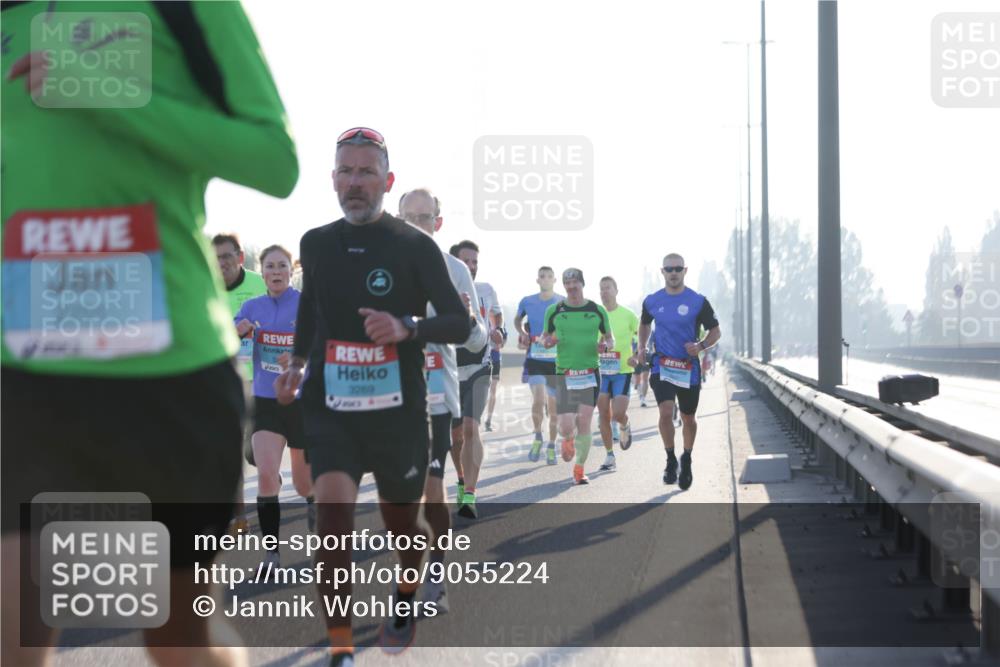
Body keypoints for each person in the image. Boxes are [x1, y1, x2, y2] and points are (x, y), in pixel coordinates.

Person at [1, 2, 298, 666]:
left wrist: (112, 96)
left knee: (176, 638)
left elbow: (274, 162)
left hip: (170, 376)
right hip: (26, 374)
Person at [274, 127, 469, 664]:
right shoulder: (315, 242)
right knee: (332, 522)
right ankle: (340, 646)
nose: (354, 182)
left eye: (365, 172)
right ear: (332, 179)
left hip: (400, 413)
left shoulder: (414, 245)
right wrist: (296, 361)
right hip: (332, 407)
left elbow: (458, 322)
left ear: (387, 180)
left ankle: (404, 598)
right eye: (345, 171)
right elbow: (311, 311)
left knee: (403, 525)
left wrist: (408, 327)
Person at [398, 188, 487, 612]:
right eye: (408, 217)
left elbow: (479, 337)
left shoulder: (454, 270)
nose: (417, 225)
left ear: (438, 221)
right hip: (385, 395)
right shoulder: (377, 262)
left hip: (436, 396)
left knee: (431, 493)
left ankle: (436, 573)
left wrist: (468, 320)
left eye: (424, 217)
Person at [233, 245, 312, 573]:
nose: (276, 271)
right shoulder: (252, 307)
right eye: (270, 266)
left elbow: (320, 348)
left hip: (301, 402)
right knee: (266, 473)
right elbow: (227, 339)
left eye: (281, 265)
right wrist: (236, 331)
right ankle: (272, 555)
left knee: (304, 485)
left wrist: (298, 363)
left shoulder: (307, 306)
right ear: (261, 272)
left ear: (290, 270)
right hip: (266, 402)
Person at [637, 253, 721, 491]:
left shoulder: (697, 301)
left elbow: (715, 331)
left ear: (685, 271)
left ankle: (687, 457)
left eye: (677, 269)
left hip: (688, 368)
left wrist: (701, 346)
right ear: (662, 272)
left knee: (688, 418)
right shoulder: (652, 301)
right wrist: (642, 346)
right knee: (665, 412)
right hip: (661, 365)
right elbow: (643, 324)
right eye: (668, 269)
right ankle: (670, 459)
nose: (673, 273)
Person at [215, 232, 268, 534]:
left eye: (226, 256)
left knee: (254, 453)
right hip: (226, 380)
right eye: (215, 257)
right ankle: (239, 516)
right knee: (231, 451)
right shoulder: (204, 288)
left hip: (261, 377)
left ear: (239, 257)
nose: (221, 263)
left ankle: (269, 474)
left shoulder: (259, 285)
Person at [540, 269, 614, 485]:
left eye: (575, 283)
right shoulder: (554, 311)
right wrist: (548, 342)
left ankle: (579, 470)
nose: (571, 287)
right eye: (567, 283)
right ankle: (568, 438)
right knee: (564, 426)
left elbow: (610, 338)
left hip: (590, 374)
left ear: (582, 284)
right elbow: (545, 338)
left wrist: (606, 346)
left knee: (584, 421)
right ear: (563, 286)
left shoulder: (597, 310)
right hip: (565, 374)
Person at [448, 240, 503, 519]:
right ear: (456, 265)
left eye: (475, 262)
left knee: (471, 427)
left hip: (480, 367)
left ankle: (470, 493)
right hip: (449, 370)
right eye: (466, 262)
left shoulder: (486, 290)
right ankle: (460, 478)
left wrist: (499, 332)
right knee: (455, 435)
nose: (471, 267)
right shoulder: (440, 290)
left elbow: (497, 316)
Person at [514, 267, 564, 464]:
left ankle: (551, 445)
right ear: (538, 280)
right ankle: (537, 436)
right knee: (538, 398)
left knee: (553, 410)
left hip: (556, 361)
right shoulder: (528, 301)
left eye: (549, 276)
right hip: (535, 358)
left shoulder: (561, 301)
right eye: (542, 276)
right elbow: (518, 318)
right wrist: (522, 333)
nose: (546, 279)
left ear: (554, 280)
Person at [596, 277, 639, 471]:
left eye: (608, 288)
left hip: (623, 370)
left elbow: (643, 337)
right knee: (603, 414)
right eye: (601, 289)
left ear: (616, 290)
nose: (604, 292)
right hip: (602, 371)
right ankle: (609, 456)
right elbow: (591, 341)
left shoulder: (628, 315)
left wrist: (636, 356)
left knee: (618, 413)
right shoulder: (596, 316)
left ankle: (625, 424)